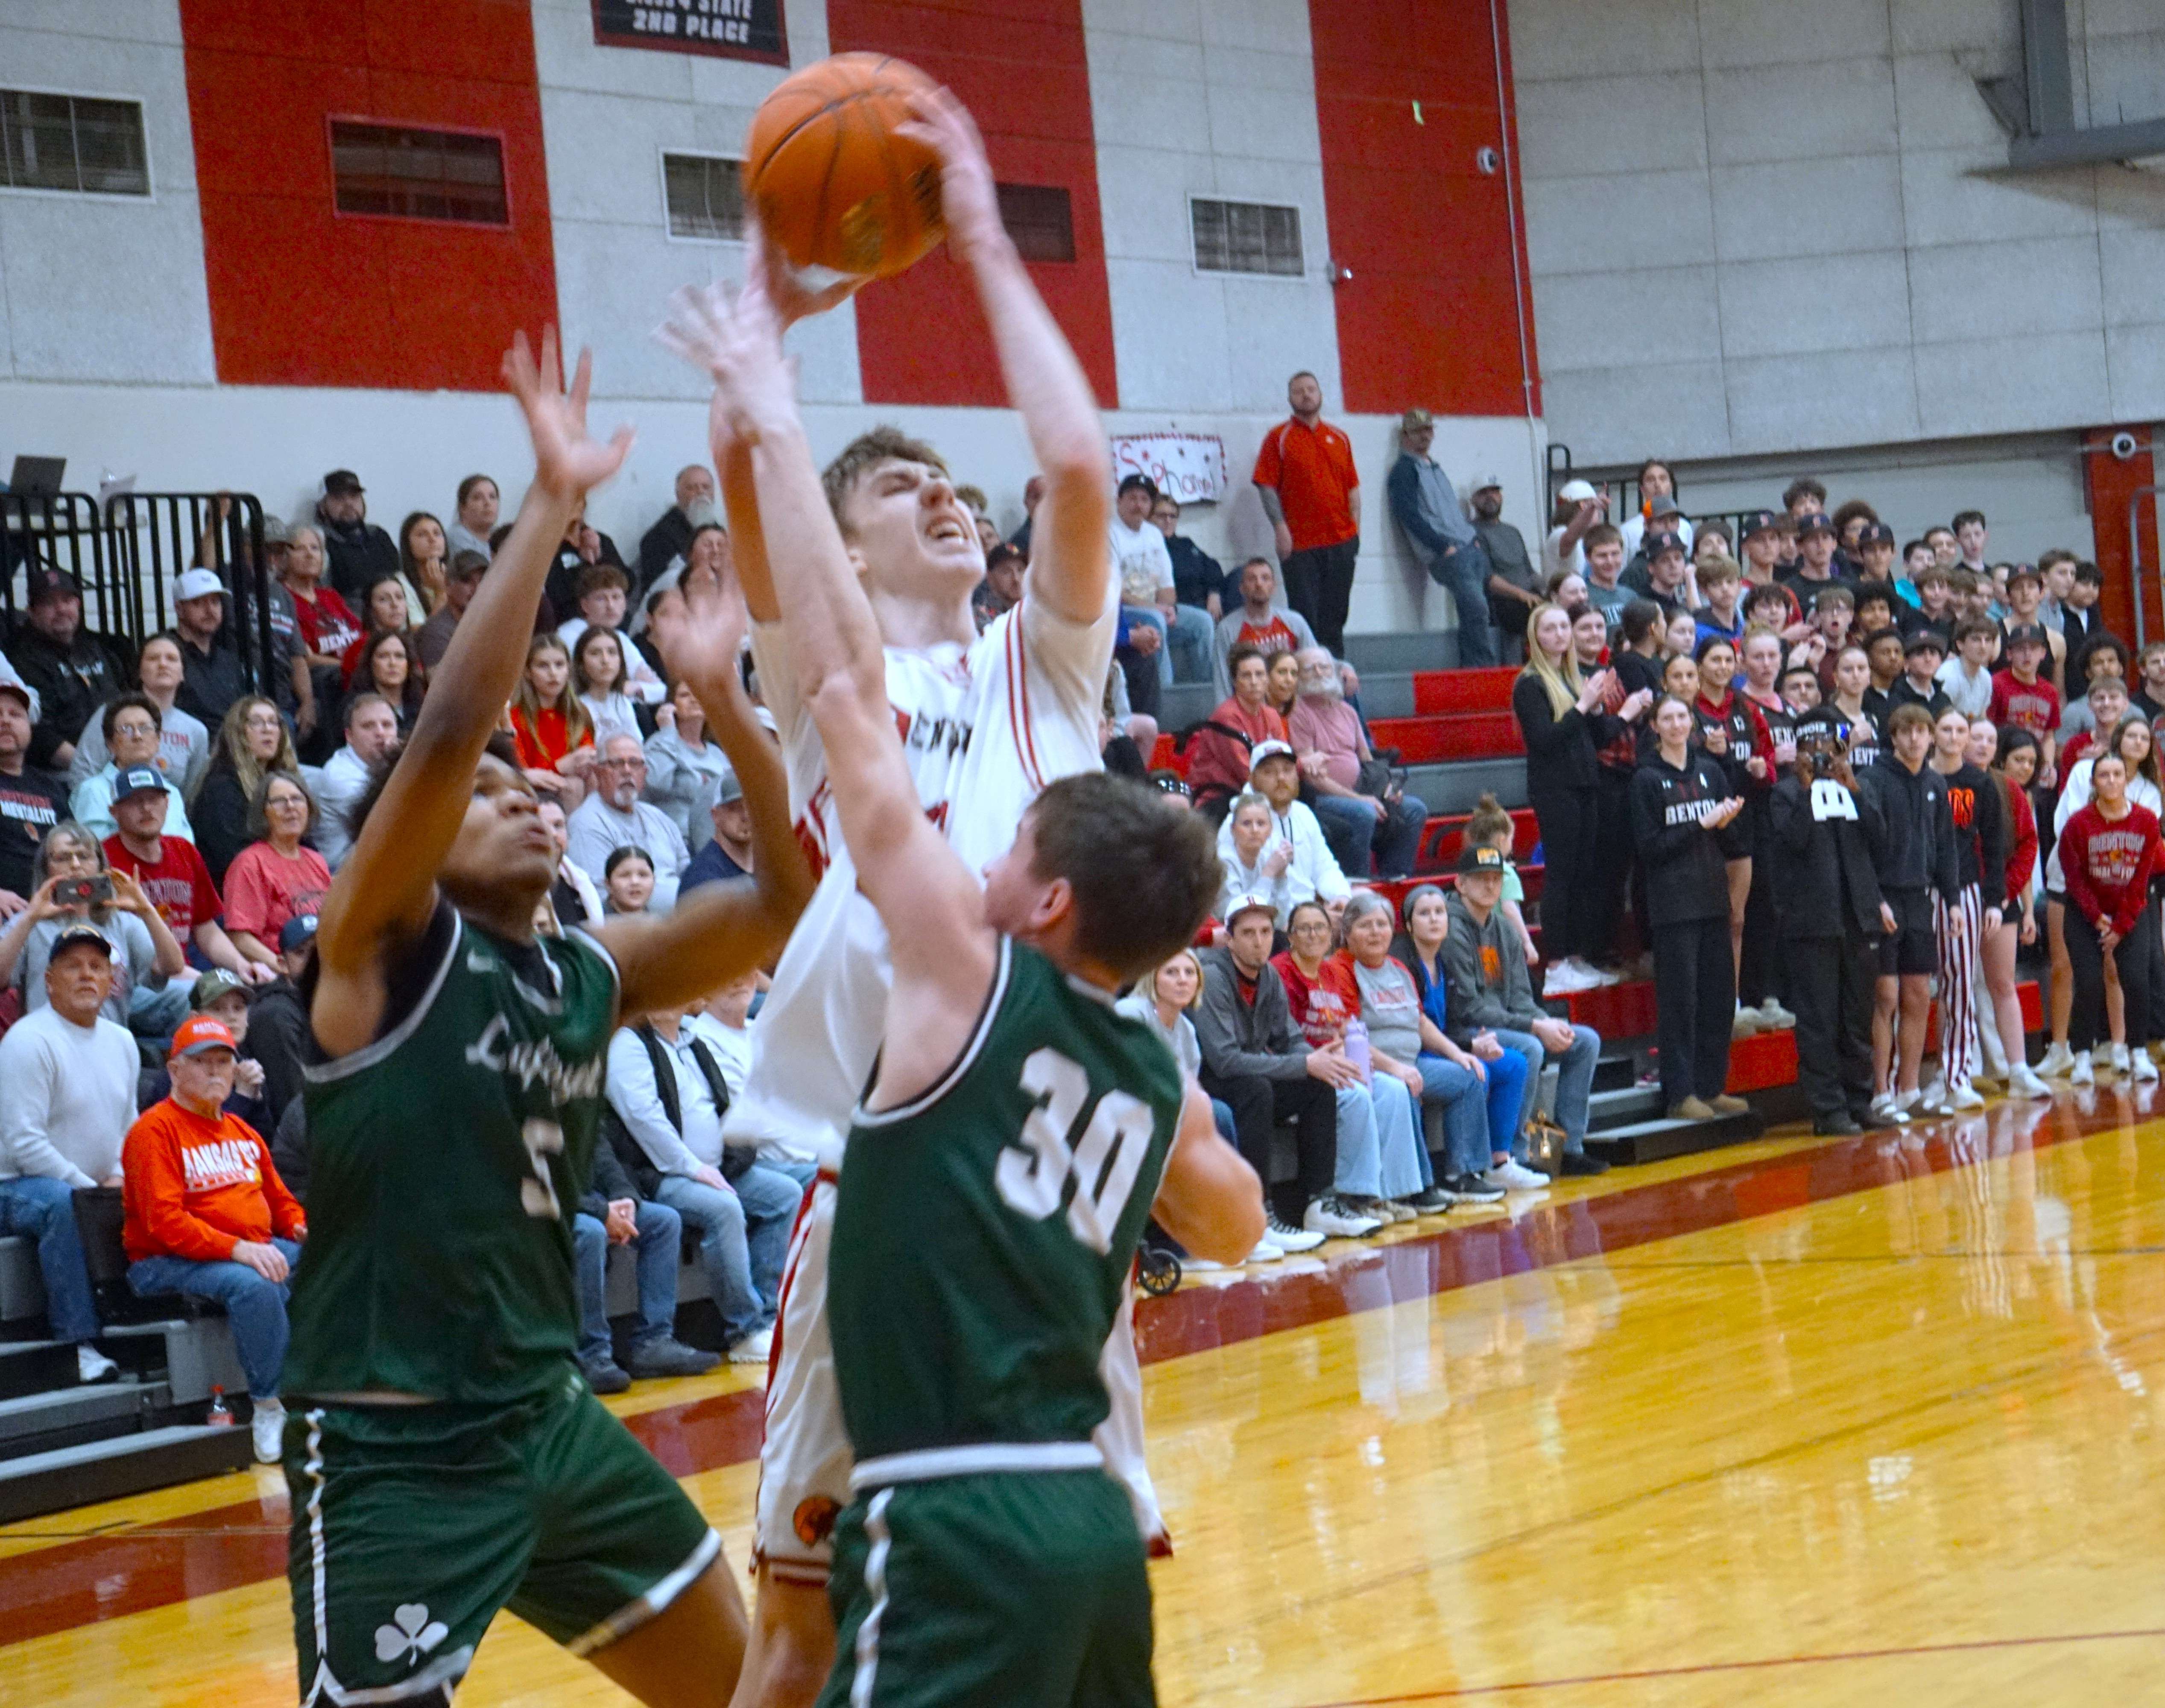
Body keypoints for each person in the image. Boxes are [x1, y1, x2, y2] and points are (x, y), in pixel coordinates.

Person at [668, 188, 1264, 1708]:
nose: (944, 497)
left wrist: (975, 250)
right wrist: (761, 379)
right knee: (800, 1628)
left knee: (1061, 1598)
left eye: (950, 482)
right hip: (878, 1177)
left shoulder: (1039, 665)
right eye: (902, 489)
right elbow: (771, 528)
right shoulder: (826, 669)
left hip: (1036, 1181)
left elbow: (1072, 464)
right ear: (842, 552)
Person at [281, 329, 813, 1706]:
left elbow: (784, 902)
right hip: (395, 1451)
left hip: (548, 1424)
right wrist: (552, 506)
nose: (529, 795)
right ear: (412, 832)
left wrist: (726, 706)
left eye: (544, 792)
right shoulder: (379, 946)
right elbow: (453, 725)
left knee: (762, 1689)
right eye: (494, 794)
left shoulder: (587, 970)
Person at [124, 1013, 307, 1463]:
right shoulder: (154, 1131)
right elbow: (165, 1223)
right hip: (165, 1261)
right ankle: (269, 1405)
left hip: (244, 1249)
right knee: (256, 1284)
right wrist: (239, 1249)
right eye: (201, 1062)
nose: (214, 1072)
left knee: (336, 1261)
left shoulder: (244, 1133)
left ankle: (335, 1389)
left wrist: (303, 1228)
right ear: (174, 1071)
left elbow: (282, 1203)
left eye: (223, 1063)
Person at [604, 1005, 804, 1362]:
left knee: (785, 1194)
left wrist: (734, 1155)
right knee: (724, 1209)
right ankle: (746, 1330)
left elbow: (721, 1104)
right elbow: (643, 1118)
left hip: (714, 1169)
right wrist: (693, 1167)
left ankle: (769, 1317)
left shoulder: (691, 1038)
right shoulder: (629, 1044)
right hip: (660, 1175)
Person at [0, 923, 133, 1384]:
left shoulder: (123, 1041)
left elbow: (129, 1128)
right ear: (48, 980)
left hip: (90, 1182)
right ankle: (77, 1343)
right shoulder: (28, 1040)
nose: (86, 975)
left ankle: (142, 1319)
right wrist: (90, 1188)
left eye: (97, 966)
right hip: (14, 1184)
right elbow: (23, 1144)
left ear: (111, 981)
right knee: (61, 1203)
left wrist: (120, 1174)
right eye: (73, 966)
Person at [1194, 895, 1358, 1246]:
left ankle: (1320, 1203)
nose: (1259, 941)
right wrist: (1303, 1063)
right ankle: (1260, 1214)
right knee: (1257, 1090)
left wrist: (1318, 1060)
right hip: (1209, 1082)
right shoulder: (1212, 977)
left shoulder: (1268, 976)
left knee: (1317, 1084)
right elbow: (1224, 1061)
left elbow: (1290, 1039)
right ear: (1230, 938)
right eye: (1249, 933)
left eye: (1266, 931)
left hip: (1250, 1077)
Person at [1440, 845, 1603, 1181]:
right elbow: (1470, 1010)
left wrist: (1545, 1022)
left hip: (1508, 1022)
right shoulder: (1452, 930)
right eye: (1481, 879)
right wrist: (1534, 1027)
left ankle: (1569, 1149)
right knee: (1530, 1047)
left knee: (1584, 1040)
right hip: (1467, 1030)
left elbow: (1520, 997)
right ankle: (1515, 1154)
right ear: (1460, 884)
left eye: (1496, 879)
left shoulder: (1503, 929)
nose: (1490, 886)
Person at [1513, 601, 1650, 994]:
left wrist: (1625, 712)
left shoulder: (1574, 678)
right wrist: (1584, 704)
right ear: (1535, 638)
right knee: (1561, 874)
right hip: (1555, 788)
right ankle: (1557, 964)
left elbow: (1600, 736)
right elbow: (1544, 740)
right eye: (1551, 629)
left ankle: (1575, 957)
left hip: (1587, 784)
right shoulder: (1530, 684)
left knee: (1584, 875)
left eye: (1563, 628)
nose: (1560, 635)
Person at [1632, 695, 1752, 1120]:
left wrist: (1725, 821)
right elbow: (1649, 847)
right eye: (1668, 717)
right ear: (1655, 726)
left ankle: (1711, 1086)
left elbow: (1727, 836)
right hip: (1672, 904)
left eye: (1684, 716)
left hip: (1711, 897)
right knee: (1681, 1001)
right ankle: (1680, 1093)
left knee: (1718, 998)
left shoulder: (1711, 771)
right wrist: (1700, 825)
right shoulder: (1646, 779)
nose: (1678, 724)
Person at [1270, 900, 1426, 1225]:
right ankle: (1352, 1198)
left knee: (1393, 1090)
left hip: (1338, 1059)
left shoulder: (1329, 972)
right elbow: (1285, 1038)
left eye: (1320, 928)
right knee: (1356, 1094)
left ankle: (1387, 1195)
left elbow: (1344, 1026)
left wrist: (1361, 1057)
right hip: (1306, 1068)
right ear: (1290, 936)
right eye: (1304, 929)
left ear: (1331, 934)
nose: (1313, 935)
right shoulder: (1282, 972)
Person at [1768, 725, 1892, 1133]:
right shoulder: (1785, 794)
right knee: (1819, 1021)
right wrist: (1806, 790)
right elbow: (1794, 841)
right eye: (1813, 750)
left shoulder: (1856, 789)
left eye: (1830, 749)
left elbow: (1880, 840)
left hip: (1858, 918)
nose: (1823, 757)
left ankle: (1861, 1100)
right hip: (1811, 924)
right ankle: (1827, 1109)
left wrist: (1853, 786)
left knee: (1857, 1016)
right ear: (1799, 753)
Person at [1335, 892, 1485, 1208]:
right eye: (1366, 925)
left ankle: (1464, 1174)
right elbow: (1349, 1037)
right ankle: (1419, 1188)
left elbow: (1420, 1022)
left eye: (1382, 924)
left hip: (1412, 1061)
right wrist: (1397, 1068)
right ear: (1347, 933)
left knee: (1468, 1076)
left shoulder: (1399, 969)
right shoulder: (1341, 970)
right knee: (1406, 1086)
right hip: (1375, 1067)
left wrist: (1457, 1054)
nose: (1376, 932)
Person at [1858, 704, 1960, 1123]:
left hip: (1920, 899)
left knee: (1919, 994)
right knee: (1886, 996)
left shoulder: (1936, 783)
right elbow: (1860, 848)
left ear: (1931, 737)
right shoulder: (1872, 780)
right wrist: (1874, 899)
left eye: (1923, 731)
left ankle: (1910, 1090)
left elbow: (1947, 849)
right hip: (1883, 899)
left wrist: (1952, 901)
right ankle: (1880, 1092)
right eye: (1908, 731)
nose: (1916, 738)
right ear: (1894, 736)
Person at [1, 822, 187, 1034]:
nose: (75, 865)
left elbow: (173, 966)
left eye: (85, 856)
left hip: (107, 1041)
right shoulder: (30, 922)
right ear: (46, 868)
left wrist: (146, 910)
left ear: (101, 865)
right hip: (47, 1041)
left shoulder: (123, 923)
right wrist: (29, 918)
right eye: (63, 858)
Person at [571, 1124, 714, 1394]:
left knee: (665, 1221)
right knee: (590, 1232)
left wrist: (625, 1198)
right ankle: (591, 1356)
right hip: (539, 1208)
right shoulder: (516, 1101)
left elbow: (602, 1154)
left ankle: (653, 1342)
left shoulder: (576, 1101)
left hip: (591, 1201)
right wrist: (601, 1212)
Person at [102, 765, 266, 985]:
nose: (146, 808)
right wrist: (209, 983)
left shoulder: (185, 851)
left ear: (167, 804)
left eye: (154, 799)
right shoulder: (105, 860)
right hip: (137, 978)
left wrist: (242, 965)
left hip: (185, 973)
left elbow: (205, 929)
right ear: (115, 812)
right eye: (134, 801)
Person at [2059, 750, 2160, 1087]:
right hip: (2085, 913)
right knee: (2088, 983)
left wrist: (2120, 926)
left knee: (2136, 981)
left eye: (2118, 774)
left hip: (2130, 912)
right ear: (2093, 782)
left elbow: (2141, 879)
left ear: (2127, 779)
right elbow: (2074, 879)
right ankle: (2082, 1057)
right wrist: (2097, 917)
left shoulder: (2146, 821)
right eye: (2104, 775)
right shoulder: (2077, 825)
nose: (2112, 781)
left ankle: (2138, 1052)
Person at [1287, 646, 1428, 879]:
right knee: (1364, 812)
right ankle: (1357, 882)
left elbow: (1368, 759)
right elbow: (1311, 776)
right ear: (1298, 676)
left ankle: (1394, 879)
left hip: (1362, 791)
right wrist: (1360, 799)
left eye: (1324, 667)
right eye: (1310, 669)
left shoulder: (1348, 712)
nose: (1320, 673)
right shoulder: (1298, 713)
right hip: (1322, 798)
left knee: (1415, 809)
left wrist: (1387, 788)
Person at [1253, 370, 1361, 654]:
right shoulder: (1278, 438)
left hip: (1341, 543)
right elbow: (1266, 487)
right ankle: (1306, 680)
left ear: (1321, 395)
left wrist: (1354, 535)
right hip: (1300, 546)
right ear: (1290, 399)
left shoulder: (1340, 438)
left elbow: (1353, 489)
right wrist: (1280, 528)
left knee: (1336, 616)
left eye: (1311, 389)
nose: (1306, 395)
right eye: (1299, 391)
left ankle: (1335, 678)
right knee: (1304, 618)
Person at [1974, 722, 2050, 1097]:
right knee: (1960, 988)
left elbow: (2027, 845)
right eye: (1977, 738)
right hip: (1957, 898)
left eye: (1990, 739)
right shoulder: (1943, 782)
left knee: (2003, 984)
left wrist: (2005, 894)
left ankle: (2018, 1069)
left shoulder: (2009, 789)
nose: (1983, 745)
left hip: (1998, 899)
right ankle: (1959, 1073)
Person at [1387, 408, 1494, 666]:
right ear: (1406, 436)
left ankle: (1478, 669)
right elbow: (1410, 516)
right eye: (1418, 431)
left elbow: (1450, 513)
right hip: (1449, 554)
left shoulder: (1434, 468)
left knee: (1478, 613)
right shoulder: (1404, 471)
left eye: (1428, 430)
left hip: (1467, 548)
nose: (1425, 436)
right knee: (1477, 610)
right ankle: (1481, 671)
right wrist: (1442, 547)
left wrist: (1472, 539)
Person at [68, 632, 210, 796]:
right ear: (140, 672)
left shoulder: (197, 732)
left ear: (183, 673)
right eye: (153, 658)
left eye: (171, 659)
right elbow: (82, 774)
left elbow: (192, 795)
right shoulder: (112, 714)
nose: (163, 664)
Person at [220, 773, 331, 969]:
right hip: (278, 975)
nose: (291, 807)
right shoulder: (250, 863)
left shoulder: (317, 860)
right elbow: (240, 938)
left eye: (297, 799)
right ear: (263, 813)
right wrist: (286, 969)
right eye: (279, 801)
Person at [567, 735, 690, 910]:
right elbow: (602, 899)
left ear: (645, 773)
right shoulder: (586, 824)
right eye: (616, 764)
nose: (627, 771)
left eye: (635, 763)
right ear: (598, 772)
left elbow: (689, 874)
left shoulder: (660, 818)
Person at [193, 697, 304, 886]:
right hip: (241, 889)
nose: (268, 729)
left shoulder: (285, 781)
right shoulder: (221, 787)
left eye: (273, 722)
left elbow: (306, 839)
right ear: (238, 733)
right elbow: (231, 857)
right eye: (257, 723)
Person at [70, 694, 195, 843]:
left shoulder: (172, 792)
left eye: (145, 728)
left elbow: (186, 849)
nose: (137, 736)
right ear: (110, 744)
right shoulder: (94, 791)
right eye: (126, 729)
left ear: (158, 740)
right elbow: (98, 851)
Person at [1187, 644, 1290, 820]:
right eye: (1246, 676)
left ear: (1268, 679)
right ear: (1235, 683)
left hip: (1259, 791)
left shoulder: (1272, 715)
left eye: (1259, 675)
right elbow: (1245, 772)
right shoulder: (1226, 717)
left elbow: (1285, 759)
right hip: (1219, 797)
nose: (1254, 682)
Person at [0, 677, 70, 919]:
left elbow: (74, 847)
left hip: (56, 907)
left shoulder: (51, 786)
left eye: (16, 715)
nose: (6, 721)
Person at [310, 694, 401, 869]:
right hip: (342, 877)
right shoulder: (338, 776)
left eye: (387, 725)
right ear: (349, 736)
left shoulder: (391, 764)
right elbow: (387, 825)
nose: (381, 733)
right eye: (368, 726)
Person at [509, 632, 599, 806]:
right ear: (528, 672)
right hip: (536, 792)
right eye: (543, 666)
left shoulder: (578, 712)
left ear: (568, 669)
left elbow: (588, 753)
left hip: (576, 785)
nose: (553, 673)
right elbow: (521, 773)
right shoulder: (516, 717)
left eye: (559, 665)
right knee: (573, 786)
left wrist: (586, 762)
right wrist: (559, 767)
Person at [644, 678, 731, 851]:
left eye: (699, 694)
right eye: (685, 695)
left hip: (719, 840)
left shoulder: (717, 754)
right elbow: (655, 783)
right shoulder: (660, 744)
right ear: (671, 705)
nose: (694, 700)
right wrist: (668, 731)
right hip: (676, 841)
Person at [1211, 557, 1318, 696]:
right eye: (1252, 579)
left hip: (1292, 701)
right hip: (1251, 705)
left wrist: (1344, 668)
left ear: (1273, 587)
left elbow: (1316, 661)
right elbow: (1222, 681)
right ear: (1242, 588)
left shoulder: (1295, 622)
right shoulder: (1227, 629)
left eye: (1265, 578)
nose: (1259, 584)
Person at [1465, 476, 1540, 659]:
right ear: (1473, 500)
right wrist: (1522, 595)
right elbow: (1487, 579)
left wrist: (1557, 588)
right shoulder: (1471, 532)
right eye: (1483, 493)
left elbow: (1530, 573)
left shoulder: (1513, 531)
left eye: (1495, 491)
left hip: (1527, 599)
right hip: (1501, 603)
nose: (1491, 497)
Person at [167, 566, 247, 729]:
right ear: (179, 609)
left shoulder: (229, 660)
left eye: (215, 602)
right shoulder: (166, 655)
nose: (210, 610)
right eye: (198, 603)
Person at [315, 470, 401, 601]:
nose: (349, 503)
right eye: (339, 498)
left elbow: (401, 581)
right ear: (323, 506)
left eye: (354, 496)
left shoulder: (379, 535)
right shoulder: (321, 543)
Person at [1150, 492, 1231, 618]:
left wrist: (1214, 593)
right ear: (1150, 518)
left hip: (1207, 601)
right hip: (1181, 608)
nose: (1168, 521)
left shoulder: (1186, 544)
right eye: (1162, 516)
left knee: (1242, 575)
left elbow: (1212, 566)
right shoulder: (1149, 547)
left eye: (1173, 516)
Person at [639, 464, 717, 593]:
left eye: (706, 487)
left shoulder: (720, 533)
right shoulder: (658, 538)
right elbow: (659, 591)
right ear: (678, 495)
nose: (701, 492)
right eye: (692, 488)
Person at [680, 771, 752, 893]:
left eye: (752, 807)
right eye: (735, 809)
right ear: (715, 815)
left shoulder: (768, 867)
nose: (746, 816)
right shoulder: (702, 878)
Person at [416, 550, 486, 671]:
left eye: (483, 581)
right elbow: (440, 686)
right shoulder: (435, 632)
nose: (477, 589)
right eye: (467, 581)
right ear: (448, 585)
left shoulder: (493, 626)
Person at [446, 474, 499, 563]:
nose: (488, 503)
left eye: (492, 497)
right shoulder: (457, 537)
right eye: (478, 498)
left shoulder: (502, 535)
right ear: (463, 507)